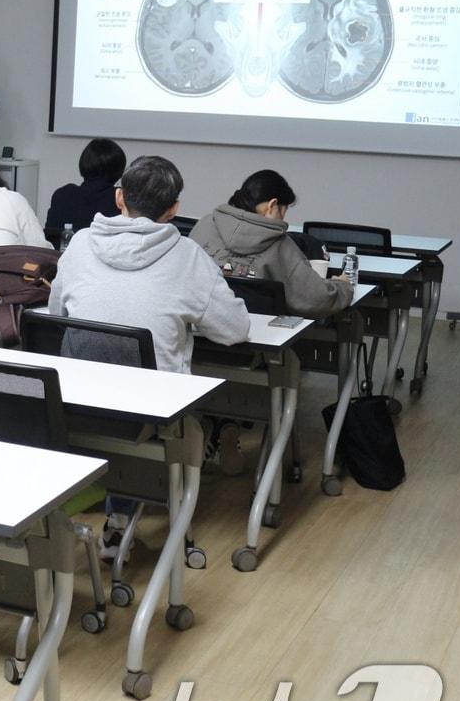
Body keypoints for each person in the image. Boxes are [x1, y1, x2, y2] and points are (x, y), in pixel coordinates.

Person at [48, 155, 249, 550]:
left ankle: (119, 516)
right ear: (174, 209)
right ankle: (153, 518)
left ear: (119, 198)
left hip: (74, 408)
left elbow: (57, 313)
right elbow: (234, 330)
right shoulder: (188, 256)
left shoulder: (81, 243)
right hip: (150, 418)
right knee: (183, 410)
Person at [191, 170, 353, 319]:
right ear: (272, 205)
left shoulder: (204, 225)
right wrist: (342, 286)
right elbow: (315, 299)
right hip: (262, 343)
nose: (283, 218)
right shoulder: (280, 245)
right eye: (284, 210)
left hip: (198, 332)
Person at [46, 137, 126, 233]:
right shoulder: (122, 199)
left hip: (65, 248)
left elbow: (50, 237)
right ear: (119, 171)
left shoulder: (62, 194)